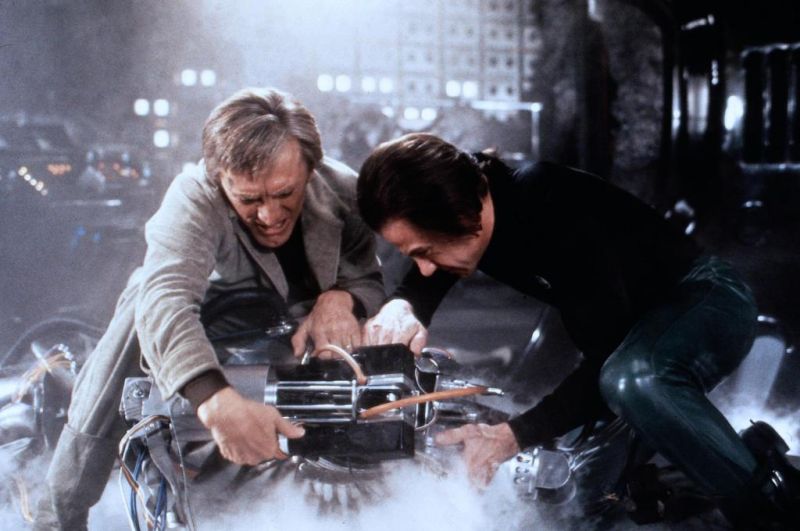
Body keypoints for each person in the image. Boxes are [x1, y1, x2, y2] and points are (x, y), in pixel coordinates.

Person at [358, 132, 798, 528]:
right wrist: (405, 306)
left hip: (709, 301)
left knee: (631, 381)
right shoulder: (472, 201)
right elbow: (429, 267)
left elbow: (607, 359)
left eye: (425, 251)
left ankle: (776, 508)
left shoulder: (551, 210)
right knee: (583, 496)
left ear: (457, 212)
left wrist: (512, 435)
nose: (425, 267)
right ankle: (737, 459)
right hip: (638, 333)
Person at [35, 87, 385, 530]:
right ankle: (59, 512)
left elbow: (368, 279)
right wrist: (215, 402)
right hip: (205, 315)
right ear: (220, 178)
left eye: (284, 193)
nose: (269, 216)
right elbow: (166, 298)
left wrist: (343, 298)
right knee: (139, 310)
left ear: (311, 168)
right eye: (249, 200)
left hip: (291, 322)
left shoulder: (345, 191)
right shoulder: (192, 194)